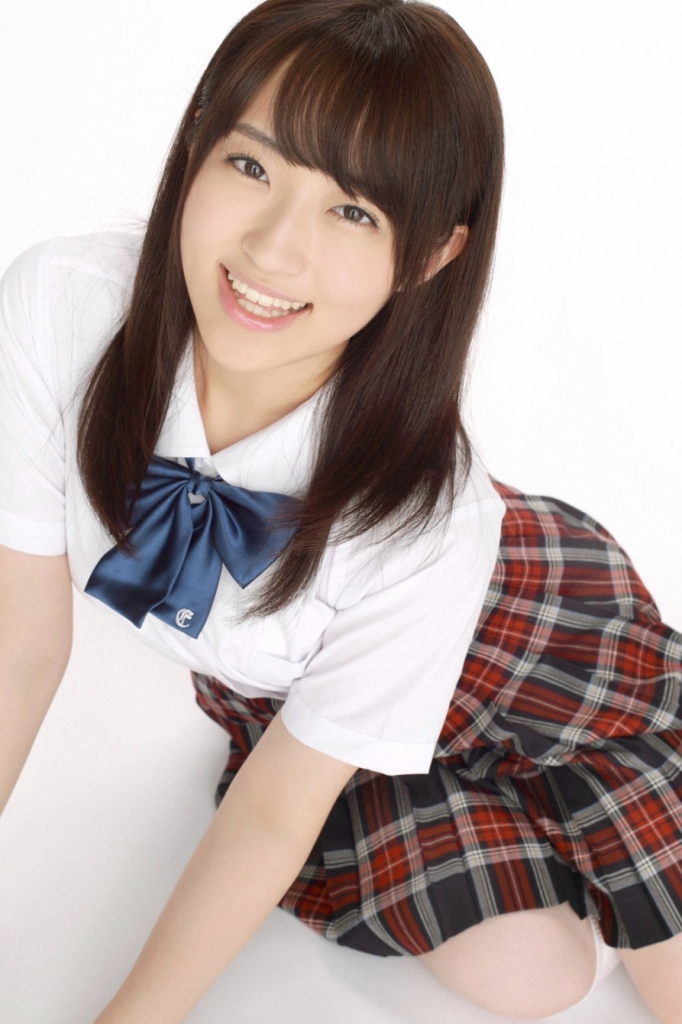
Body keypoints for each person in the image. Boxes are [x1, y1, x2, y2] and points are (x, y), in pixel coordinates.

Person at [0, 1, 680, 1022]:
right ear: (195, 142)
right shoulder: (65, 305)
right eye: (252, 166)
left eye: (352, 212)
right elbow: (17, 645)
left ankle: (604, 811)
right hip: (309, 700)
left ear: (431, 253)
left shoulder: (433, 523)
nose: (273, 250)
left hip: (543, 655)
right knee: (534, 978)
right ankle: (533, 830)